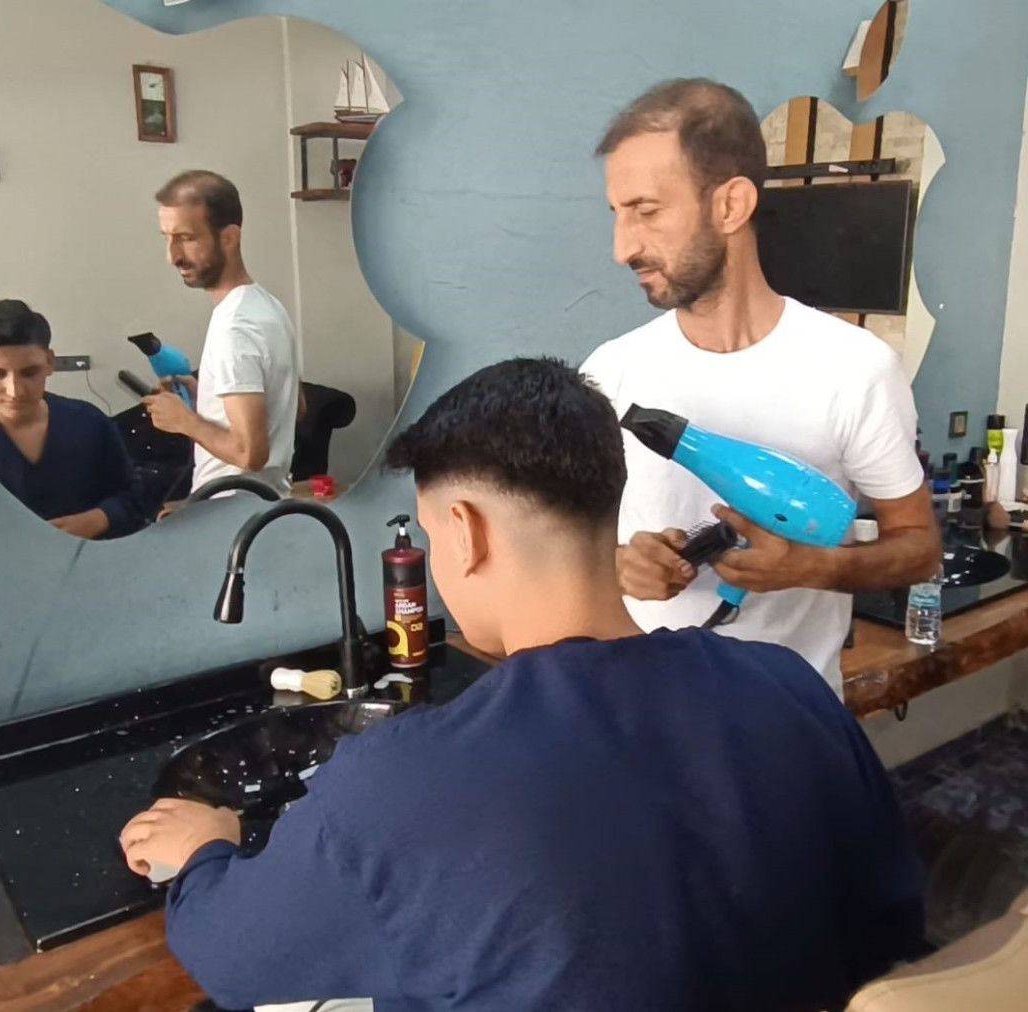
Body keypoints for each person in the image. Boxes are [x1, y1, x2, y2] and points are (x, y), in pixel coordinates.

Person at [120, 358, 924, 1012]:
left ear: (465, 532)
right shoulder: (786, 686)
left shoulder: (406, 782)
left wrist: (204, 852)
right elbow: (888, 923)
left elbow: (236, 960)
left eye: (431, 534)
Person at [581, 78, 940, 694]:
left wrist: (812, 568)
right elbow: (570, 547)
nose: (622, 248)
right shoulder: (610, 372)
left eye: (646, 211)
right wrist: (620, 564)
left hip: (794, 718)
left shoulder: (855, 369)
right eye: (617, 214)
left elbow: (919, 549)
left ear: (731, 205)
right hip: (645, 714)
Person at [144, 170, 300, 499]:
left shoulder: (235, 326)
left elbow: (250, 454)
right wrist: (210, 397)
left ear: (229, 238)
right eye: (167, 238)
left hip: (229, 512)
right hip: (264, 505)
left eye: (186, 238)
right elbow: (294, 406)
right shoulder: (268, 307)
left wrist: (183, 420)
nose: (173, 256)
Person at [0, 299, 145, 539]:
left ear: (49, 362)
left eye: (29, 373)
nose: (15, 390)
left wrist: (99, 519)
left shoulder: (89, 423)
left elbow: (134, 498)